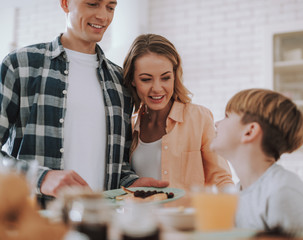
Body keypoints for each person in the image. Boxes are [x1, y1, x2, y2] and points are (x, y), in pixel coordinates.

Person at [0, 0, 167, 204]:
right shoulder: (21, 65)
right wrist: (40, 178)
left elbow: (118, 164)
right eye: (92, 4)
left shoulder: (119, 81)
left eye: (110, 7)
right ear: (65, 3)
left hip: (100, 221)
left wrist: (130, 183)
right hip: (37, 221)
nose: (103, 16)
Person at [123, 34, 233, 192]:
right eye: (146, 79)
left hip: (188, 216)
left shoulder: (199, 118)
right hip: (141, 216)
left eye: (165, 78)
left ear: (175, 76)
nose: (157, 88)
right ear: (133, 80)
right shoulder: (131, 125)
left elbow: (221, 178)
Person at [210, 88, 303, 233]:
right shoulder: (240, 191)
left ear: (250, 131)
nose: (217, 123)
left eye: (227, 116)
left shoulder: (282, 193)